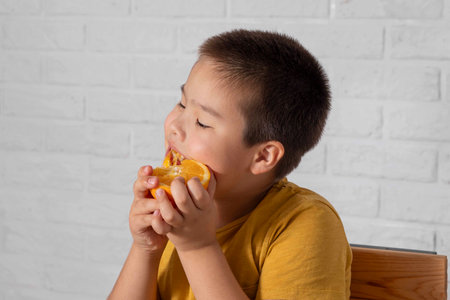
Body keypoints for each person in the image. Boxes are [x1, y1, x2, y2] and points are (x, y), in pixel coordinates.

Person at [108, 29, 352, 300]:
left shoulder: (305, 224)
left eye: (202, 122)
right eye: (181, 104)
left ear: (262, 157)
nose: (174, 126)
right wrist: (146, 249)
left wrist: (197, 247)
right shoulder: (176, 213)